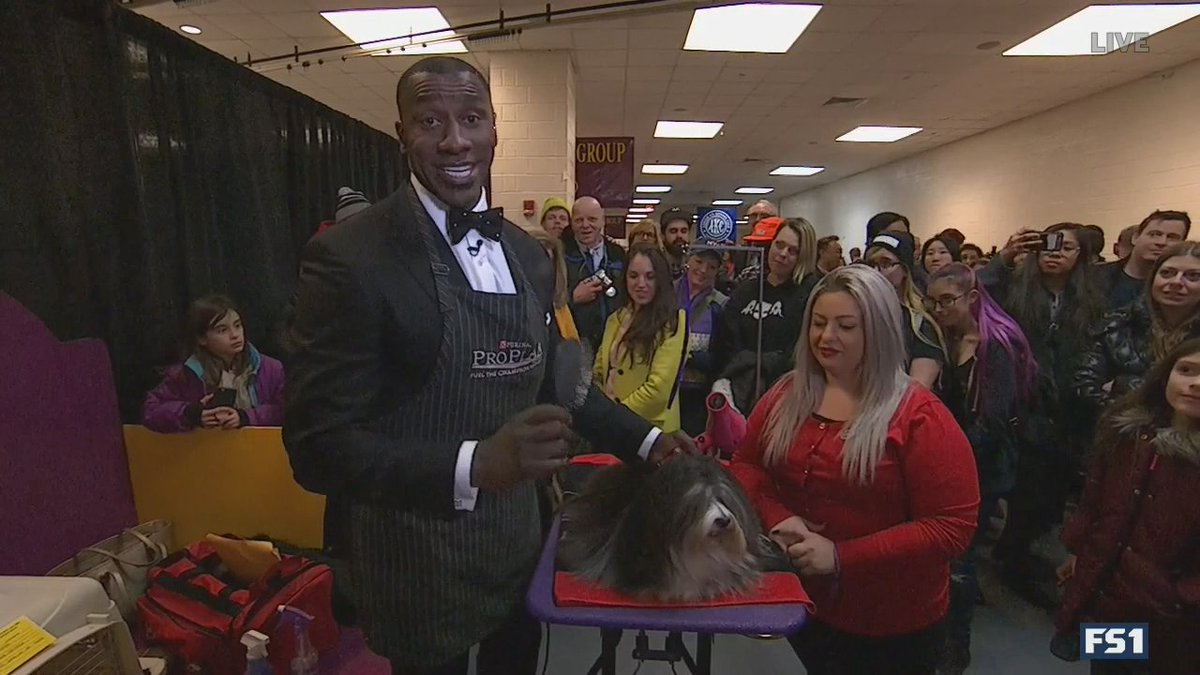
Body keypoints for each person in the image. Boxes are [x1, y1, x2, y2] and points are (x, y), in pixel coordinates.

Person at [282, 56, 694, 675]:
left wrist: (650, 441)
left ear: (496, 129)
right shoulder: (351, 257)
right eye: (430, 121)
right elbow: (317, 447)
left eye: (471, 118)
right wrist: (478, 462)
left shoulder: (529, 258)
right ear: (401, 133)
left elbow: (565, 382)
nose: (454, 140)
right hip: (414, 558)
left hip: (515, 546)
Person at [730, 265, 979, 675]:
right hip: (802, 605)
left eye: (845, 326)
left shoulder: (919, 416)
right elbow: (746, 465)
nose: (826, 338)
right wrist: (778, 517)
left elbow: (951, 527)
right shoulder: (786, 394)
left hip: (891, 625)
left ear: (877, 333)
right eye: (819, 324)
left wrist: (842, 556)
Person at [1053, 338, 1200, 675]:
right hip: (1112, 600)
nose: (1196, 383)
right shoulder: (1129, 435)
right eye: (1186, 370)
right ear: (1165, 377)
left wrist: (1181, 597)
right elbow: (1095, 500)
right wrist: (1080, 552)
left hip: (1174, 620)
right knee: (1108, 667)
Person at [924, 263, 1037, 674]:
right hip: (951, 461)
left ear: (972, 298)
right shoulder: (945, 338)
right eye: (931, 302)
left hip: (982, 468)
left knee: (961, 561)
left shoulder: (998, 344)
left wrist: (943, 458)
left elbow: (991, 422)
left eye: (947, 301)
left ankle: (956, 649)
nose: (938, 309)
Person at [1075, 241, 1200, 414]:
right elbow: (1084, 390)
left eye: (1193, 276)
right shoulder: (1115, 324)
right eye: (1167, 273)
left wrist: (1124, 384)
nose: (1176, 282)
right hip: (1123, 430)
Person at [715, 217, 821, 413]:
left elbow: (797, 350)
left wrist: (761, 363)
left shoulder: (810, 294)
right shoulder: (746, 290)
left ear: (803, 256)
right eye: (779, 245)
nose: (782, 254)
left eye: (793, 250)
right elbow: (726, 339)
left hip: (786, 396)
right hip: (738, 390)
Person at [143, 294, 284, 433]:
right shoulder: (185, 375)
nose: (235, 335)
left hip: (259, 450)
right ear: (202, 338)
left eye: (237, 325)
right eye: (222, 330)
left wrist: (245, 417)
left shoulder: (271, 369)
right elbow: (151, 411)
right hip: (207, 451)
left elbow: (284, 409)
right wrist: (192, 414)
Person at [593, 245, 688, 432]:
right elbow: (599, 373)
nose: (641, 284)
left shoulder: (674, 321)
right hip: (610, 429)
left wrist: (615, 418)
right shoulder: (616, 319)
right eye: (633, 276)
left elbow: (658, 390)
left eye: (650, 277)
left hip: (651, 431)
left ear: (661, 279)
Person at [862, 231, 946, 388]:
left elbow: (916, 392)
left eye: (886, 264)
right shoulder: (859, 317)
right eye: (870, 265)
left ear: (905, 271)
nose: (876, 272)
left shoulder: (920, 326)